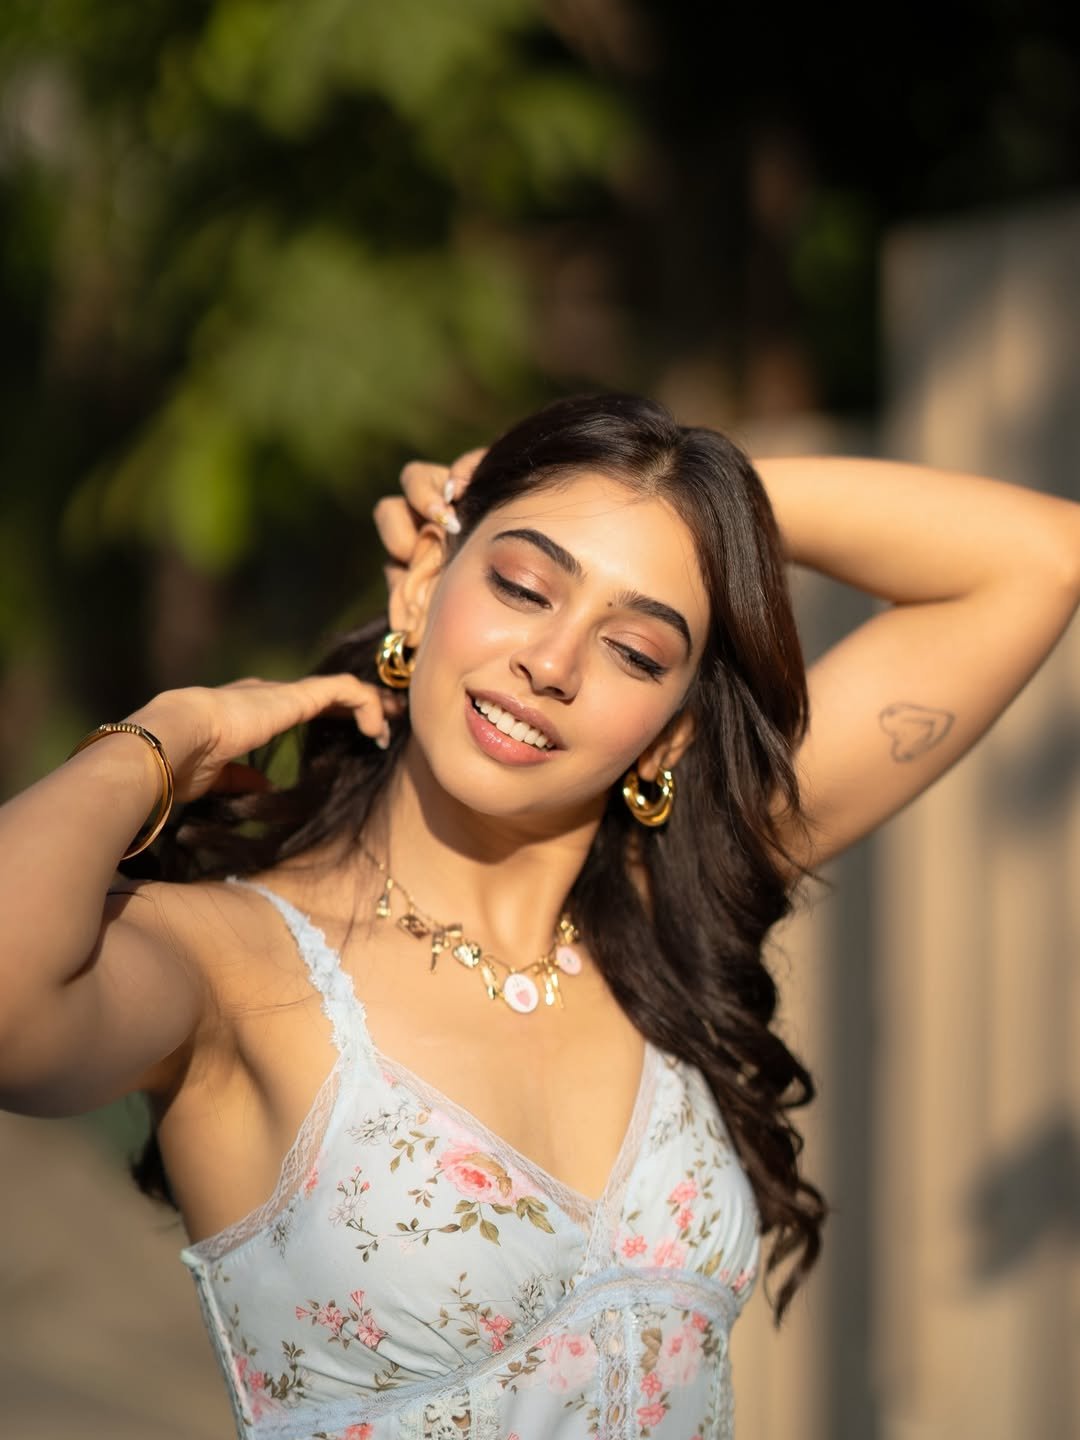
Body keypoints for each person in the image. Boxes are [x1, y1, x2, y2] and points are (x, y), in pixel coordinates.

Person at [1, 393, 1076, 1440]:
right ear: (426, 585)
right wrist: (160, 739)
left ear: (669, 735)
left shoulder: (666, 915)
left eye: (637, 650)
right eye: (523, 585)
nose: (551, 664)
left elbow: (1040, 561)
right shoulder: (238, 965)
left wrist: (698, 508)